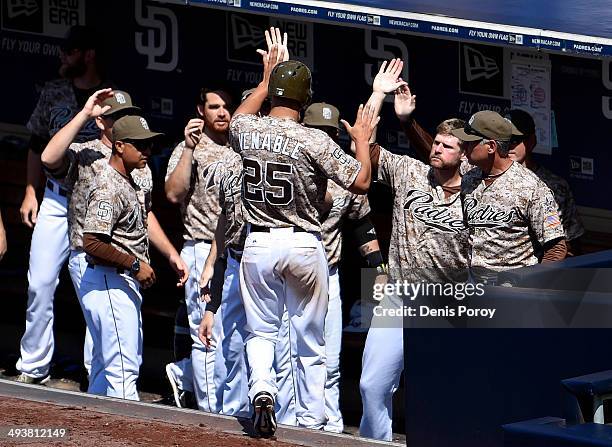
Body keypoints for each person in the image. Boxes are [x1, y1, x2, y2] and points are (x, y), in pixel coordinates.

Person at [229, 39, 379, 436]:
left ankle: (262, 389)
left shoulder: (247, 128)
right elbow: (362, 182)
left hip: (258, 242)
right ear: (305, 99)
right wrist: (362, 141)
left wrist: (264, 81)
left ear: (273, 93)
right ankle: (311, 421)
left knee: (260, 331)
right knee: (309, 338)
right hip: (304, 243)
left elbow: (236, 120)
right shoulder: (314, 139)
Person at [358, 81, 471, 441]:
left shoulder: (478, 192)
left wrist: (411, 124)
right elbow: (367, 146)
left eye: (448, 145)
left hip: (447, 304)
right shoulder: (410, 172)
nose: (438, 148)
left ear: (465, 155)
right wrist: (382, 99)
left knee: (447, 394)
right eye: (436, 142)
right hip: (398, 298)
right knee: (372, 385)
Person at [274, 102, 386, 433]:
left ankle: (331, 426)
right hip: (288, 274)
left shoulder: (343, 172)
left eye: (329, 134)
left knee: (329, 361)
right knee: (285, 360)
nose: (324, 138)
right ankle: (286, 425)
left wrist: (378, 270)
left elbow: (362, 225)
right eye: (317, 132)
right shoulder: (285, 164)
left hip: (328, 275)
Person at [16, 25, 111, 385]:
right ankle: (33, 366)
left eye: (69, 52)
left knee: (93, 292)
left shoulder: (111, 96)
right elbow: (36, 143)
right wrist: (30, 191)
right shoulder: (55, 91)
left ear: (87, 55)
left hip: (93, 208)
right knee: (39, 284)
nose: (62, 58)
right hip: (55, 200)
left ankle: (97, 372)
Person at [79, 115, 188, 400]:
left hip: (117, 284)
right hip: (109, 282)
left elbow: (143, 219)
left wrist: (167, 255)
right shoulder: (107, 186)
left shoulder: (132, 179)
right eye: (140, 145)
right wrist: (135, 263)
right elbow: (91, 241)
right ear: (119, 146)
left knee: (105, 369)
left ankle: (91, 432)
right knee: (124, 370)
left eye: (149, 145)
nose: (147, 151)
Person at [164, 87, 234, 411]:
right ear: (200, 110)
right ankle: (209, 413)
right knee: (205, 335)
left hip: (232, 253)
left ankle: (184, 375)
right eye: (214, 106)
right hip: (199, 246)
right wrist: (190, 151)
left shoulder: (239, 147)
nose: (221, 112)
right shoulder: (190, 147)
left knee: (230, 334)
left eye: (226, 107)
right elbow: (174, 194)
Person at [452, 110, 567, 281]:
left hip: (513, 292)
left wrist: (535, 286)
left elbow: (556, 248)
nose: (464, 147)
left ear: (491, 146)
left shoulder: (531, 187)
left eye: (470, 142)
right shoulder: (469, 178)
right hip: (473, 287)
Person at [505, 109, 585, 255]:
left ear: (531, 141)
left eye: (515, 140)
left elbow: (572, 241)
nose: (509, 145)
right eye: (504, 140)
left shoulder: (554, 186)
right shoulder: (486, 179)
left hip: (539, 269)